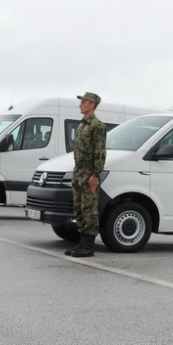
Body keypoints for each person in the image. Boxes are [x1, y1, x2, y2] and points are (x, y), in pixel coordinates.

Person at [65, 92, 107, 258]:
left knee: (89, 209)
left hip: (90, 173)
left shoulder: (97, 126)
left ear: (92, 104)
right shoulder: (82, 125)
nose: (80, 105)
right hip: (79, 173)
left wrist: (95, 175)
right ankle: (82, 244)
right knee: (79, 209)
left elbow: (100, 152)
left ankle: (88, 246)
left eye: (83, 102)